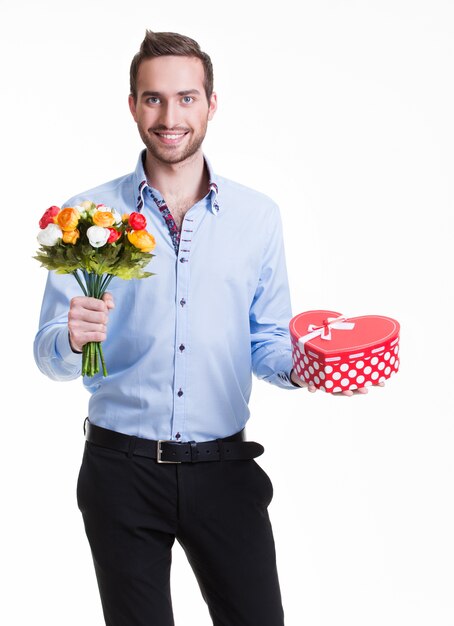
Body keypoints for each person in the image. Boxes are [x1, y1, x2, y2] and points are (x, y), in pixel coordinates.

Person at [34, 30, 365, 626]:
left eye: (186, 98)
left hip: (226, 469)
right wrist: (72, 337)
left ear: (212, 104)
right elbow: (49, 350)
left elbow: (265, 338)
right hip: (120, 472)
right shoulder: (84, 218)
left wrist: (310, 365)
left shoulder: (257, 217)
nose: (170, 116)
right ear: (133, 105)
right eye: (154, 99)